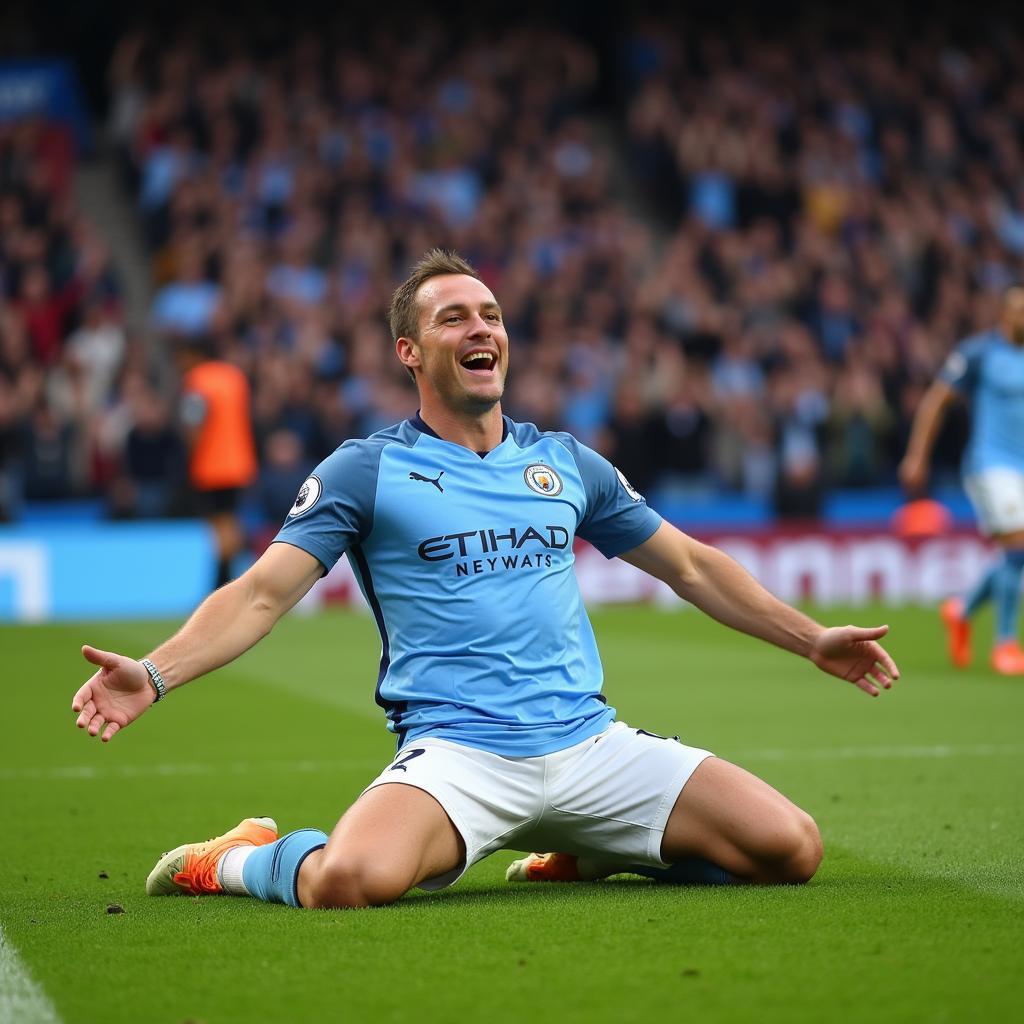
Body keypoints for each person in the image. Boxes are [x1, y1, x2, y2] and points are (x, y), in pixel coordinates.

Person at [71, 250, 898, 910]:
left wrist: (811, 638)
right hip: (460, 756)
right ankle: (241, 858)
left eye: (493, 316)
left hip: (589, 743)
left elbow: (688, 564)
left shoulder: (564, 462)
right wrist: (153, 674)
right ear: (410, 351)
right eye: (454, 317)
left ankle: (590, 848)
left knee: (792, 849)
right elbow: (259, 594)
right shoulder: (367, 470)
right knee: (349, 883)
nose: (482, 329)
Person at [899, 285, 1024, 676]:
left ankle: (961, 610)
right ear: (1004, 315)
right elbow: (937, 399)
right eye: (1020, 310)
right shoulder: (979, 353)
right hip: (992, 463)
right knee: (1018, 546)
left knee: (1016, 554)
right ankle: (1005, 645)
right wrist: (918, 454)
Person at [176, 337, 258, 587]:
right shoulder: (235, 377)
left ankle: (223, 582)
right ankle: (231, 573)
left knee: (220, 523)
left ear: (194, 354)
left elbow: (193, 422)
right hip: (240, 461)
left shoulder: (197, 380)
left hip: (212, 465)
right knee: (229, 519)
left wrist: (189, 455)